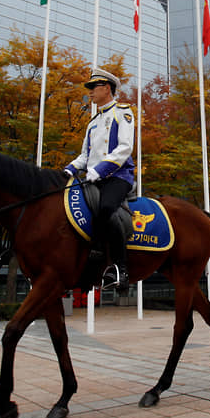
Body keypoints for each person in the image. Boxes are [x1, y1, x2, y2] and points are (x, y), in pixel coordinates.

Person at [64, 68, 135, 292]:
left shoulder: (123, 113)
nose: (90, 93)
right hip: (94, 178)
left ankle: (120, 270)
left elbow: (125, 148)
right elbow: (85, 155)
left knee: (105, 208)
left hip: (118, 177)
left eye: (93, 88)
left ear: (106, 88)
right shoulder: (92, 123)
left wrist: (101, 169)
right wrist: (68, 170)